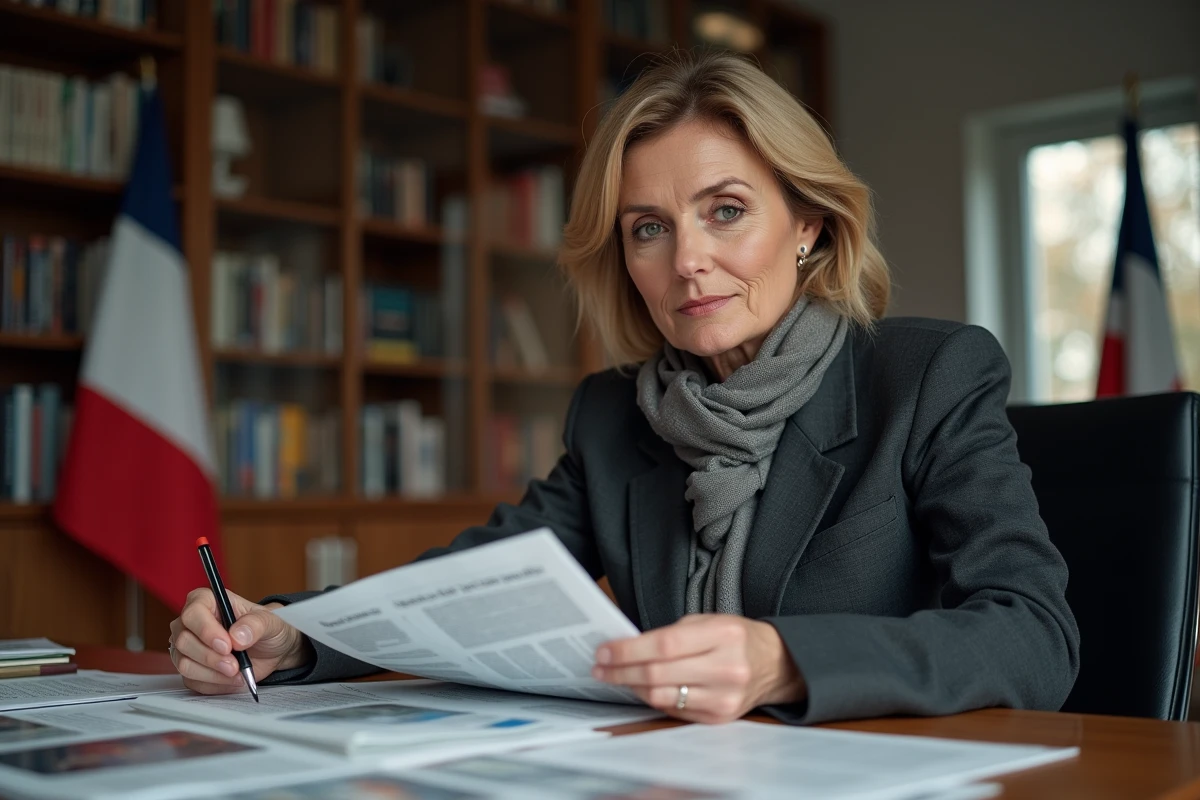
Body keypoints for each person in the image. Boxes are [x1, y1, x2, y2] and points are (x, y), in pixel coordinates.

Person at [168, 49, 1079, 726]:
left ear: (808, 224)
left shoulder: (927, 376)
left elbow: (1034, 633)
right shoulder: (615, 414)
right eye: (649, 228)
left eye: (726, 211)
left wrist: (785, 661)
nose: (688, 261)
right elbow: (457, 592)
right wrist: (294, 636)